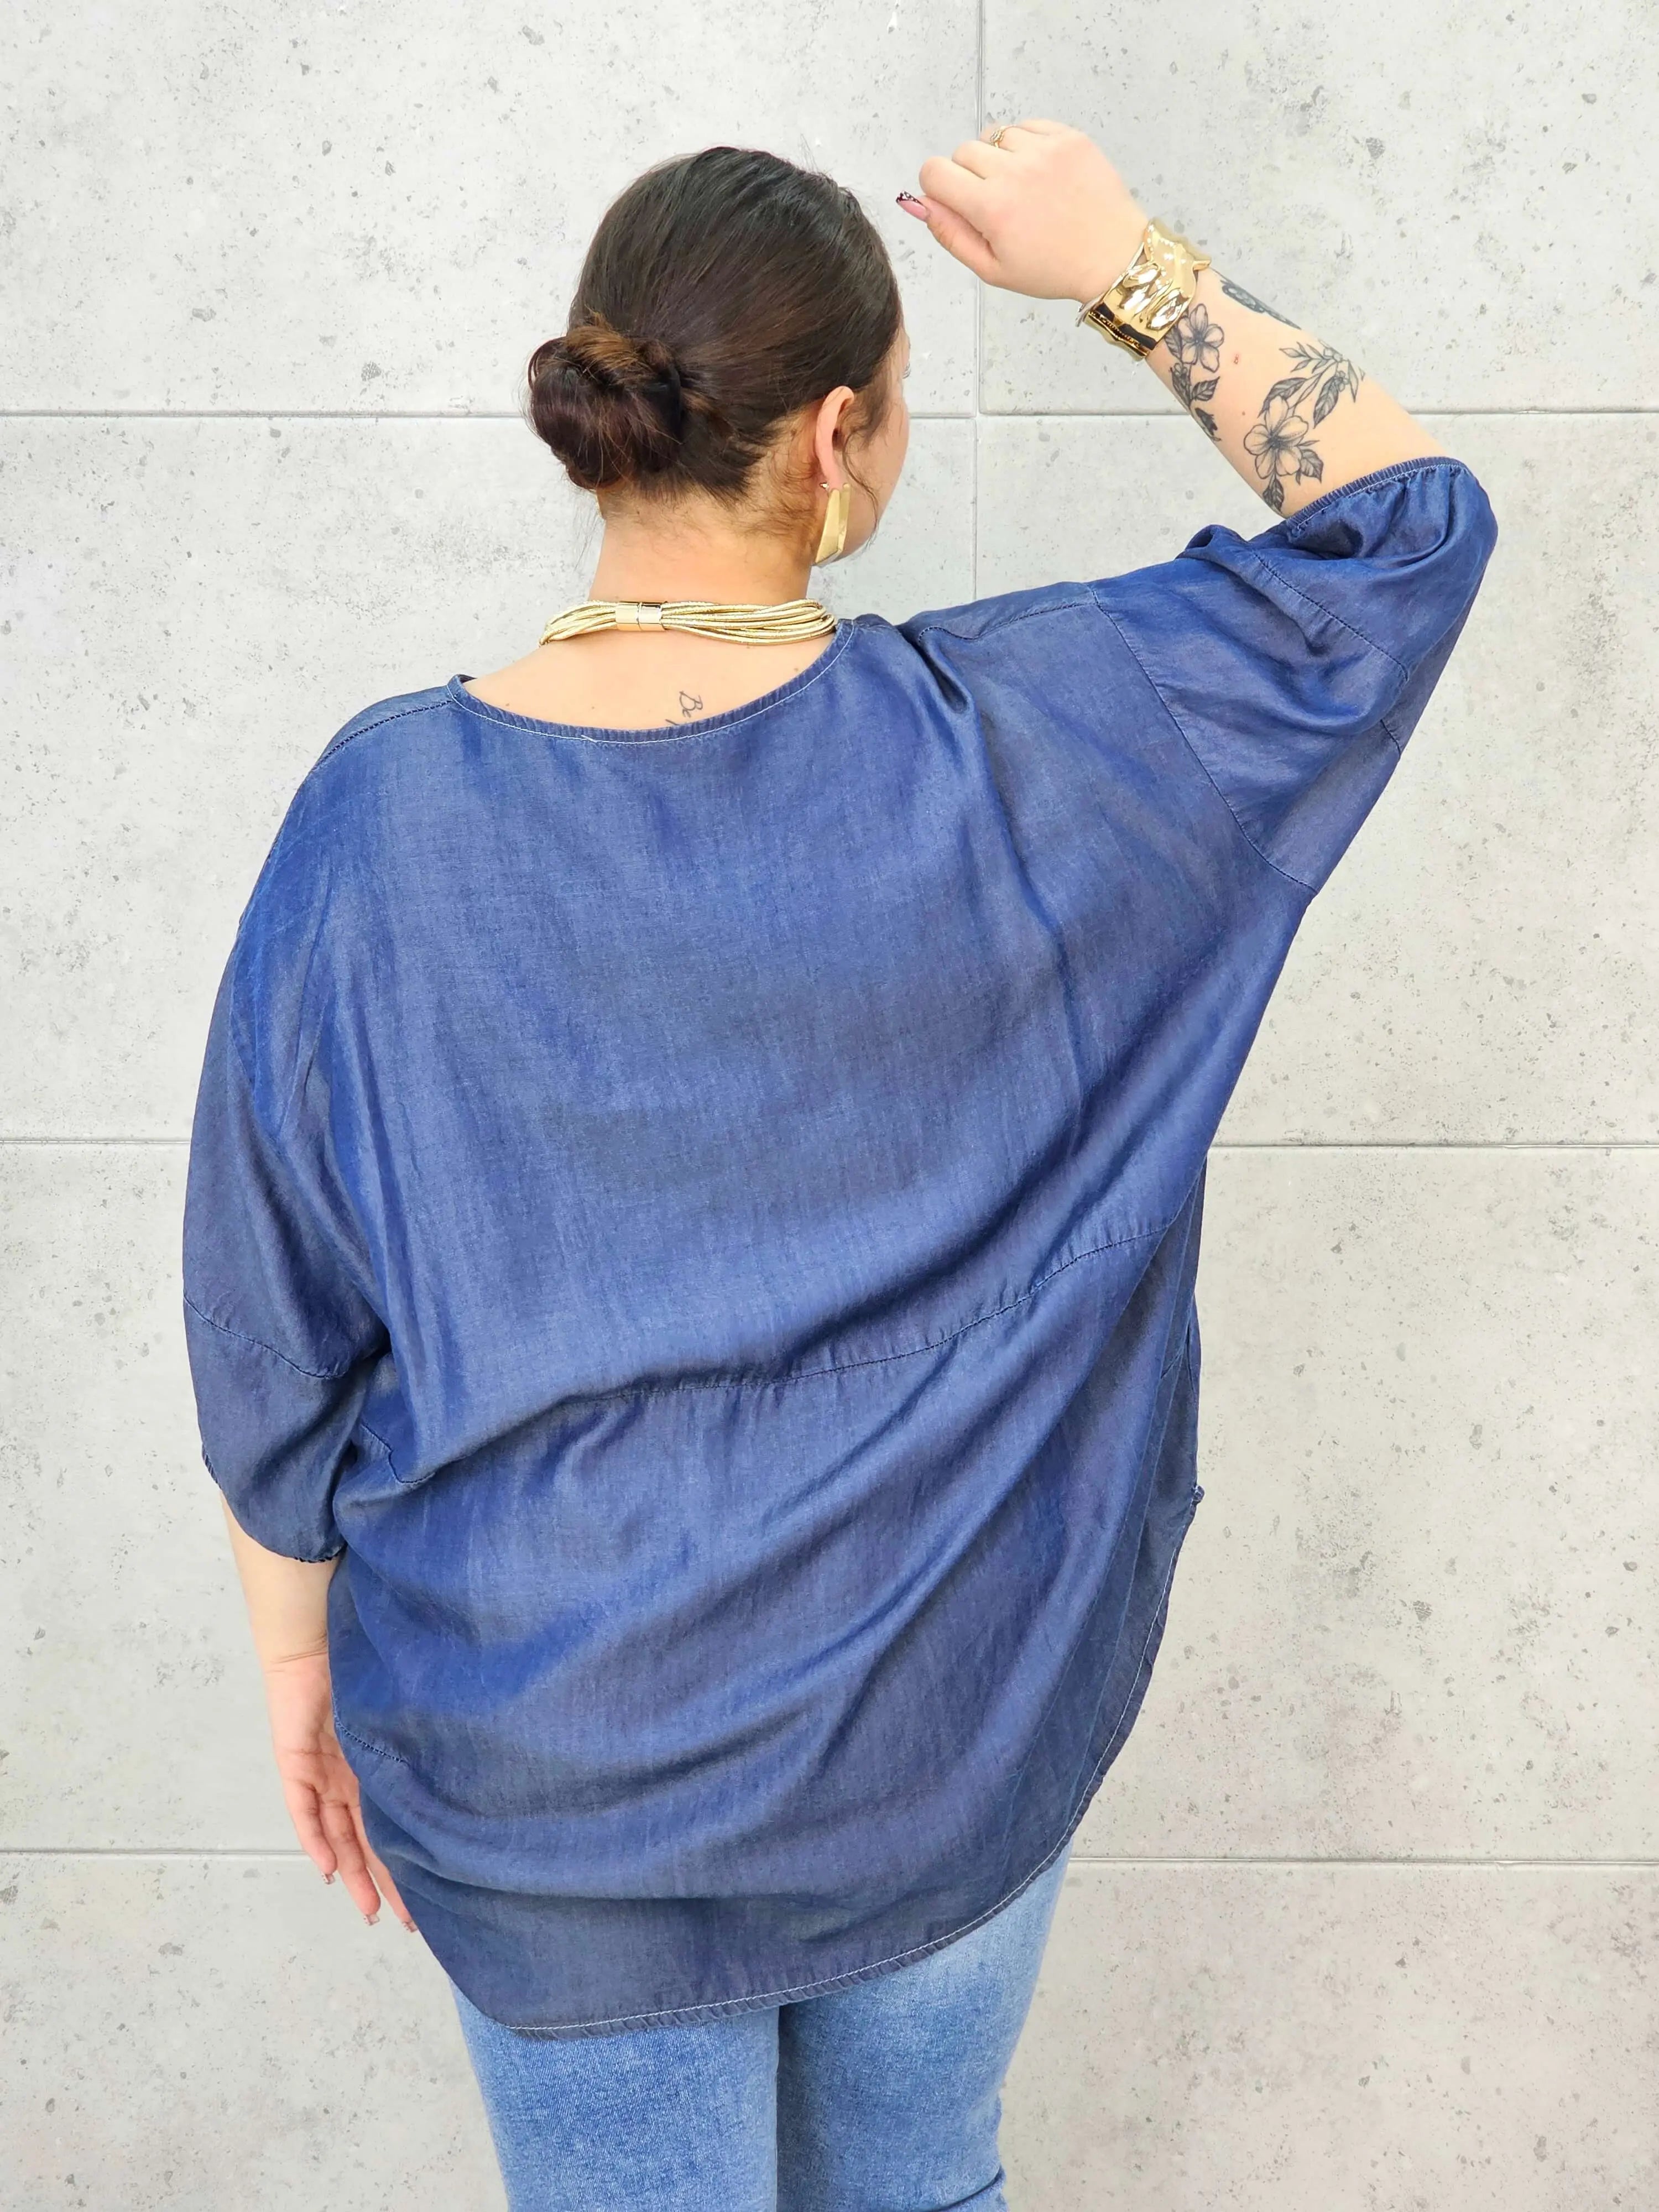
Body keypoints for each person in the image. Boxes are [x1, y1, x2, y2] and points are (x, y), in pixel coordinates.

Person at [182, 121, 1496, 2211]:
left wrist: (291, 1663)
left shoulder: (380, 814)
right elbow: (1407, 531)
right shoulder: (1048, 737)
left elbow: (276, 1311)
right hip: (942, 1721)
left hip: (550, 1755)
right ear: (836, 436)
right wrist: (1125, 264)